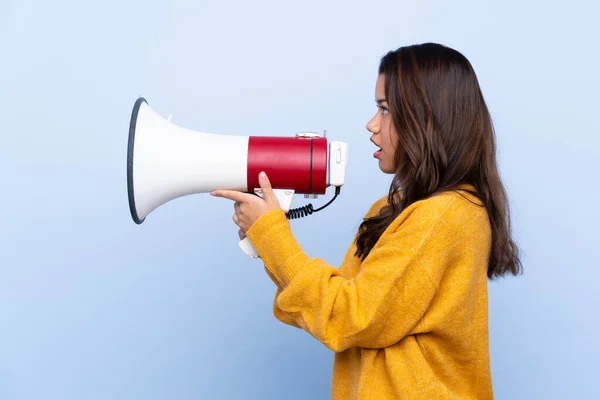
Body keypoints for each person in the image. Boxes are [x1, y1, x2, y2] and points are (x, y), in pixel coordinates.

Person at [210, 42, 522, 400]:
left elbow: (348, 317)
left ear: (427, 117)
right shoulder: (394, 209)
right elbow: (329, 308)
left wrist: (272, 234)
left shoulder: (443, 216)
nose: (371, 124)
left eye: (385, 109)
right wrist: (268, 241)